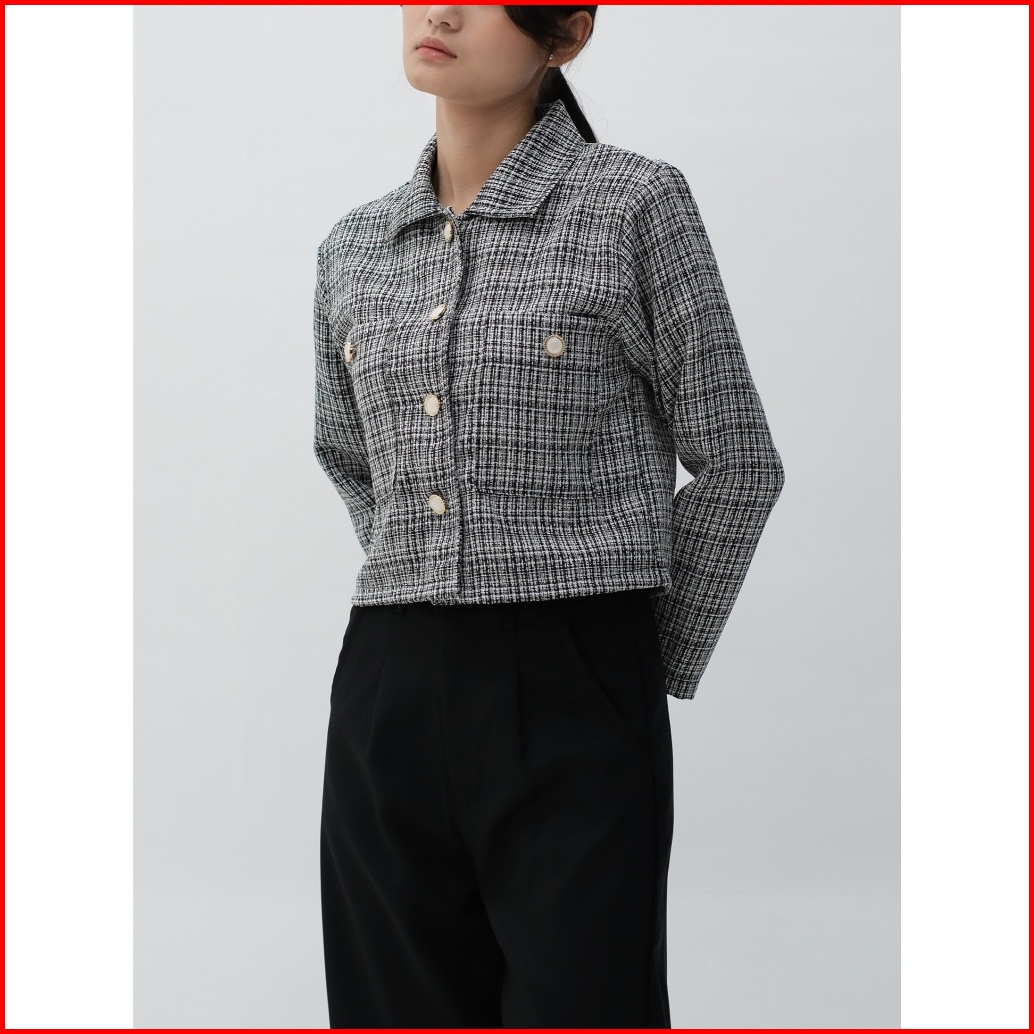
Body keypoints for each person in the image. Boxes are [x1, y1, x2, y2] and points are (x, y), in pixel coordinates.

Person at [312, 5, 784, 1028]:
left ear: (564, 33)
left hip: (576, 686)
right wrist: (429, 571)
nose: (439, 12)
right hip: (387, 688)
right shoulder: (353, 246)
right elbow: (348, 455)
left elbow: (739, 462)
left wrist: (626, 659)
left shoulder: (632, 204)